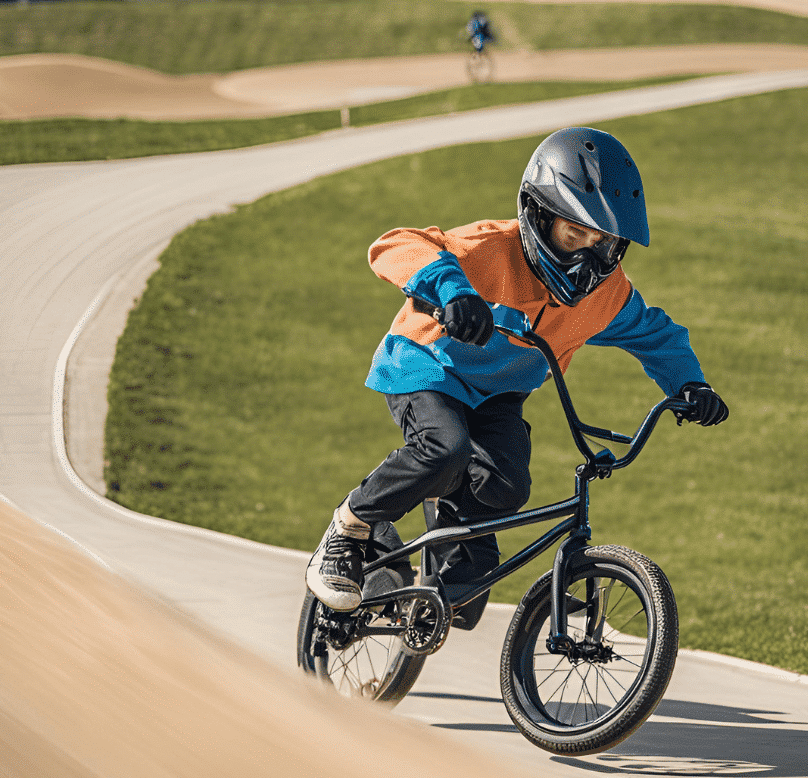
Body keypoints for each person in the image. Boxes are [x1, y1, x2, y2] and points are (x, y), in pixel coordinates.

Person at [306, 126, 728, 614]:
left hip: (497, 394)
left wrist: (691, 384)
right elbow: (394, 245)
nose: (588, 257)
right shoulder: (489, 249)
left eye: (604, 243)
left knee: (507, 484)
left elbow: (657, 335)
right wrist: (454, 292)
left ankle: (435, 573)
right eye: (575, 234)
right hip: (427, 367)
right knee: (446, 448)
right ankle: (352, 527)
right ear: (539, 216)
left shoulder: (604, 296)